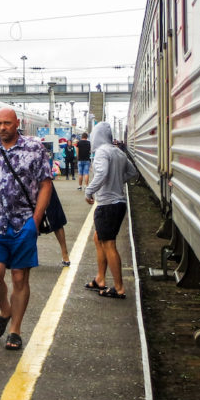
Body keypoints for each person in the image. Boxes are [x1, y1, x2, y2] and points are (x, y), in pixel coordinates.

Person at [0, 107, 52, 351]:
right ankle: (5, 309)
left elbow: (45, 184)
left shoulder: (35, 148)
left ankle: (15, 329)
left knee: (19, 277)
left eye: (7, 123)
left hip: (23, 224)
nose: (3, 128)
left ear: (17, 123)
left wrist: (35, 221)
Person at [84, 121, 138, 298]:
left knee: (109, 244)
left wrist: (90, 190)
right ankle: (100, 278)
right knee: (98, 237)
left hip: (107, 204)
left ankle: (119, 287)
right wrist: (116, 182)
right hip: (118, 203)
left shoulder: (101, 152)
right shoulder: (118, 152)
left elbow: (101, 173)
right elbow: (132, 173)